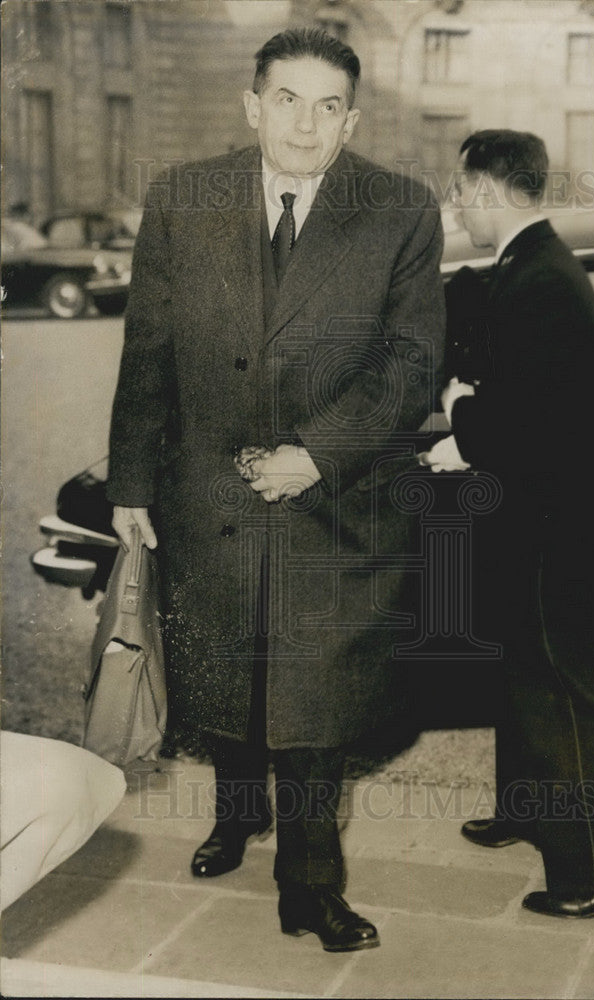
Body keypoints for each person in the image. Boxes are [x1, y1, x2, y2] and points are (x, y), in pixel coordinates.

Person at [107, 28, 445, 952]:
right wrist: (130, 480)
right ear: (252, 105)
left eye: (328, 107)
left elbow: (410, 363)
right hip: (207, 493)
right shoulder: (183, 198)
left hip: (335, 503)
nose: (305, 124)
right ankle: (235, 813)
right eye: (287, 100)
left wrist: (318, 454)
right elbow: (148, 349)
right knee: (228, 669)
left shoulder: (400, 210)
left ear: (351, 122)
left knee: (312, 699)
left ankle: (310, 886)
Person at [421, 130, 594, 918]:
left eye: (461, 190)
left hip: (556, 524)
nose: (457, 204)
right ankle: (528, 809)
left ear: (489, 189)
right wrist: (474, 422)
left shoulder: (540, 279)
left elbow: (537, 420)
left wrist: (461, 415)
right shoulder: (532, 264)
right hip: (543, 512)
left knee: (571, 687)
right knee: (527, 668)